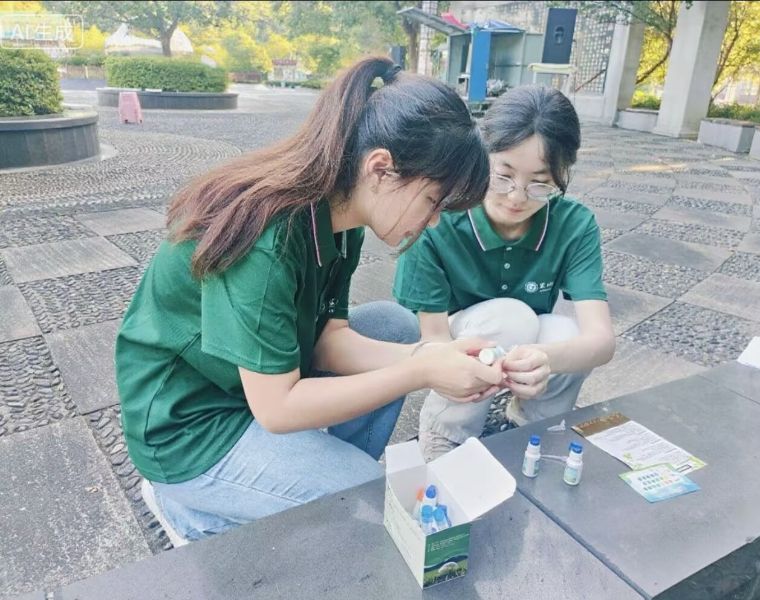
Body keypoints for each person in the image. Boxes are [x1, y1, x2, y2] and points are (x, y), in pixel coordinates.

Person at [115, 57, 501, 544]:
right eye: (433, 202)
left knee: (394, 327)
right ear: (380, 169)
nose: (436, 220)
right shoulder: (267, 239)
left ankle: (310, 483)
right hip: (192, 425)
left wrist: (433, 355)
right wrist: (421, 371)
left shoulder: (342, 216)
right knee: (366, 498)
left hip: (248, 385)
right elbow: (277, 408)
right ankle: (195, 509)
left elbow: (328, 341)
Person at [393, 85, 616, 461]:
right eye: (503, 177)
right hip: (456, 334)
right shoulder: (440, 215)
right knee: (512, 318)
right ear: (482, 156)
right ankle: (446, 431)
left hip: (521, 341)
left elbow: (601, 340)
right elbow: (433, 340)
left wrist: (545, 359)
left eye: (540, 184)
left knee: (567, 335)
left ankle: (534, 425)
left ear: (562, 175)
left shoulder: (573, 223)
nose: (517, 197)